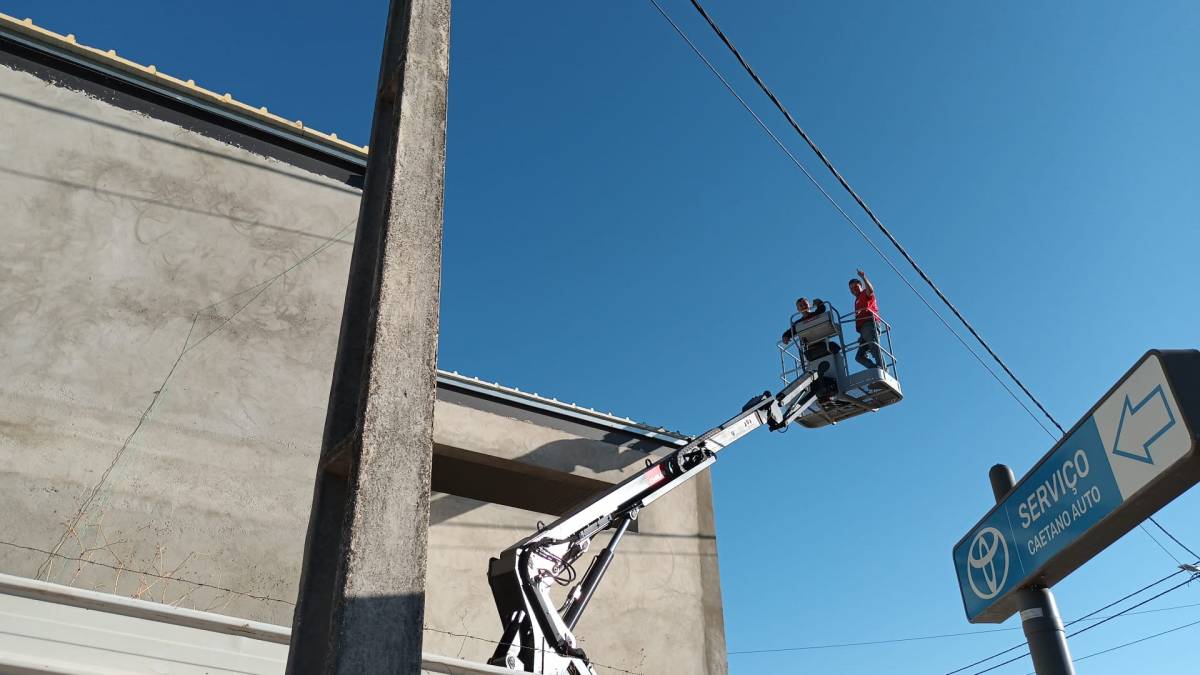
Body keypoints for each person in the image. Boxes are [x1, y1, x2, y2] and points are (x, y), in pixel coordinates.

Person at [849, 269, 884, 369]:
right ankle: (875, 370)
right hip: (863, 330)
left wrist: (863, 277)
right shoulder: (857, 300)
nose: (853, 289)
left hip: (870, 324)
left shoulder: (865, 293)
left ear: (861, 286)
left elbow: (871, 290)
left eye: (856, 286)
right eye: (851, 288)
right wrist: (861, 335)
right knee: (859, 357)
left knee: (874, 348)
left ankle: (883, 369)